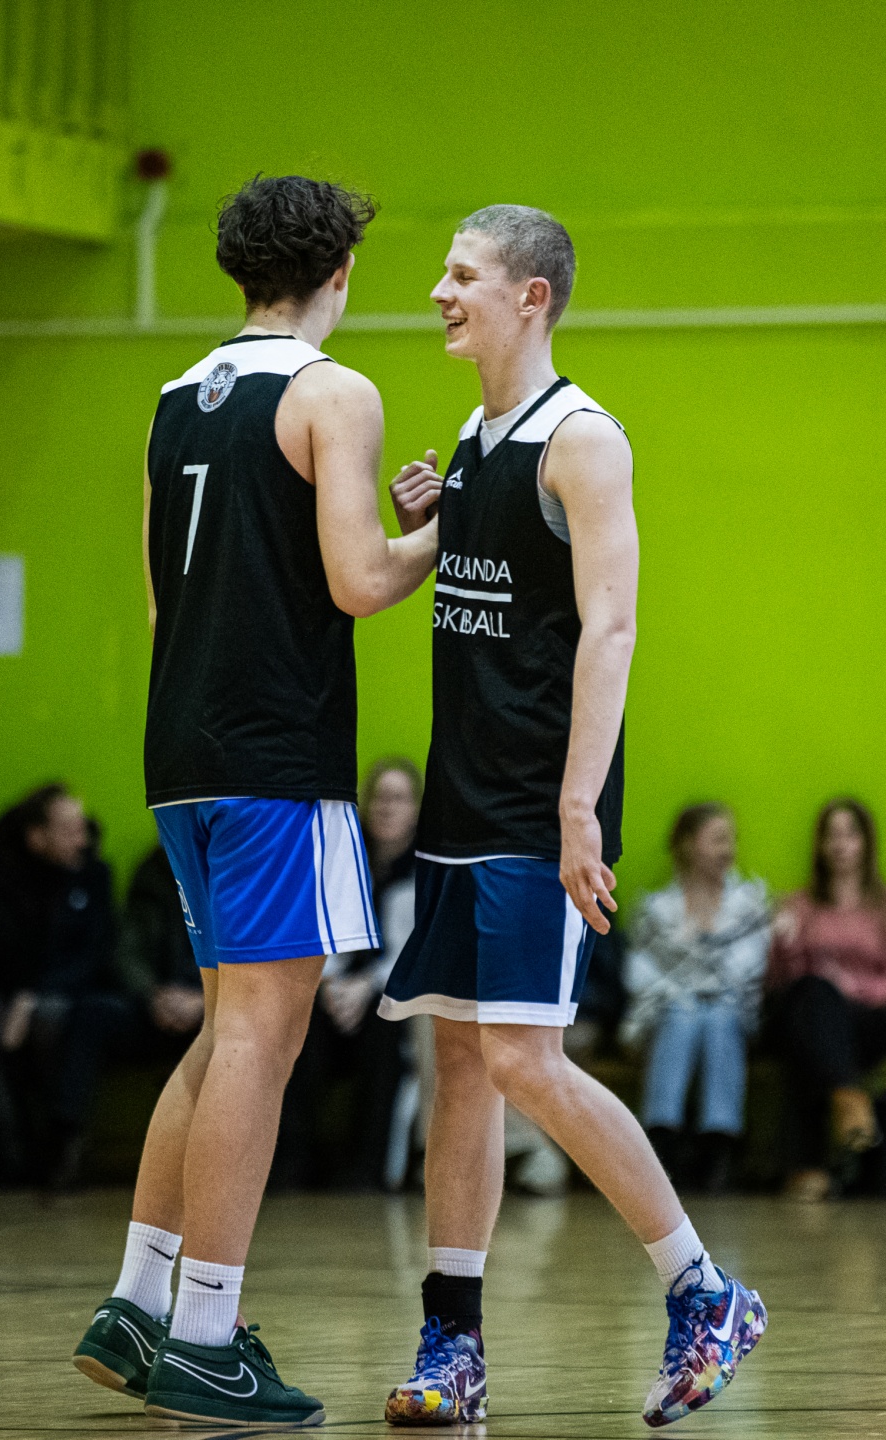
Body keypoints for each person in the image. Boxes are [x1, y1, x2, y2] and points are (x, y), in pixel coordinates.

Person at [377, 205, 767, 1429]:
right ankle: (453, 1342)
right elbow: (502, 596)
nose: (440, 291)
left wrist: (577, 808)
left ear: (530, 296)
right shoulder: (475, 435)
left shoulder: (583, 439)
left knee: (520, 1058)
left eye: (463, 274)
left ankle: (704, 1290)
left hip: (535, 807)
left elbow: (612, 628)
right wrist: (438, 520)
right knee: (459, 1061)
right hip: (458, 797)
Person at [73, 174, 441, 1429]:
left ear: (240, 269)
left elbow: (168, 598)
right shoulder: (336, 392)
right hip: (277, 755)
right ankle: (208, 1335)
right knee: (260, 1042)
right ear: (340, 270)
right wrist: (439, 533)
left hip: (181, 748)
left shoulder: (176, 396)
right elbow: (357, 582)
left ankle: (138, 1304)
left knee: (226, 1029)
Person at [0, 784, 123, 1188]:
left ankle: (55, 1152)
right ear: (36, 837)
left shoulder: (90, 878)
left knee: (55, 1016)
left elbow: (96, 959)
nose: (83, 840)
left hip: (60, 998)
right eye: (70, 830)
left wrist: (31, 998)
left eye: (83, 828)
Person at [273, 757, 421, 1191]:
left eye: (398, 799)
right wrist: (329, 985)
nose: (387, 808)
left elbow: (415, 953)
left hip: (392, 995)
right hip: (338, 991)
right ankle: (294, 1161)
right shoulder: (344, 861)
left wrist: (367, 986)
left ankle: (368, 1166)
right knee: (300, 1022)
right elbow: (321, 935)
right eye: (379, 798)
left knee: (385, 1023)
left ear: (416, 810)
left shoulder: (427, 872)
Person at [623, 804, 771, 1192]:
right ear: (689, 845)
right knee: (682, 1014)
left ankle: (716, 1146)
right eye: (718, 839)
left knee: (718, 1016)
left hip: (732, 1009)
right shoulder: (655, 910)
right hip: (666, 1012)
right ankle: (664, 1140)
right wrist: (692, 989)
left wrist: (699, 984)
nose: (729, 848)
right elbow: (642, 976)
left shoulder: (748, 905)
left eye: (732, 839)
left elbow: (749, 969)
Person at [768, 798, 886, 1202]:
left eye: (850, 834)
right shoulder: (798, 905)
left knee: (815, 1036)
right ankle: (848, 1097)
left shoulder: (881, 907)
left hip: (869, 1017)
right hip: (814, 1013)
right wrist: (782, 944)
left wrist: (851, 986)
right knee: (814, 997)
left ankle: (807, 1166)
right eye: (831, 835)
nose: (840, 844)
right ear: (819, 845)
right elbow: (781, 981)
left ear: (866, 843)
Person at [116, 845, 205, 1058]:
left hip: (218, 1001)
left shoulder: (235, 872)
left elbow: (253, 961)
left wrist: (204, 1001)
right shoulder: (151, 875)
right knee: (92, 1014)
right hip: (158, 998)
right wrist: (153, 994)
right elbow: (126, 951)